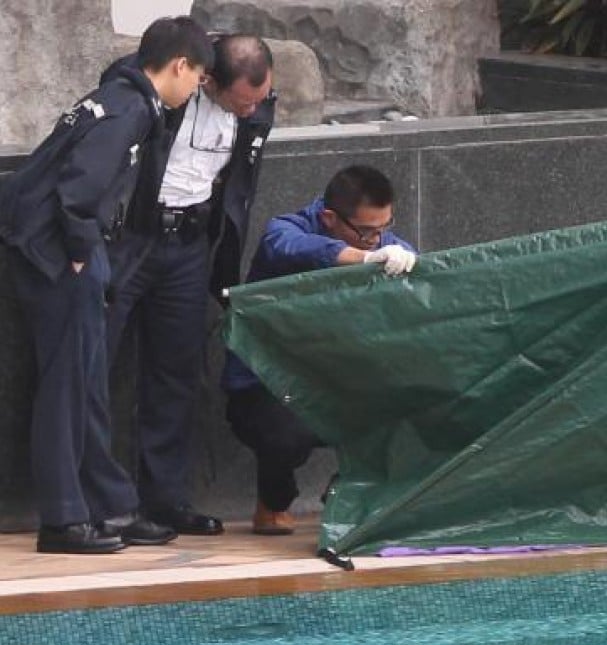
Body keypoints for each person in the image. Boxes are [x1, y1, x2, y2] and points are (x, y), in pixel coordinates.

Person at [0, 17, 213, 553]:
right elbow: (80, 189)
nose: (195, 90)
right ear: (180, 65)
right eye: (197, 77)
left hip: (68, 250)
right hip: (60, 255)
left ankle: (109, 504)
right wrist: (78, 253)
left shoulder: (119, 95)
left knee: (88, 384)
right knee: (68, 387)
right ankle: (63, 519)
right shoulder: (130, 109)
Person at [104, 35, 276, 536]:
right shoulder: (161, 83)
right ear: (206, 80)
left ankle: (164, 500)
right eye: (242, 101)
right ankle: (97, 501)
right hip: (132, 236)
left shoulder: (255, 107)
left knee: (175, 373)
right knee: (95, 363)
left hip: (190, 243)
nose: (251, 110)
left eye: (260, 100)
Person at [222, 165, 417, 534]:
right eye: (366, 232)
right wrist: (358, 257)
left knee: (411, 408)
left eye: (383, 229)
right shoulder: (286, 231)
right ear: (330, 218)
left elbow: (402, 253)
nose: (375, 240)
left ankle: (349, 494)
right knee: (284, 438)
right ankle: (273, 500)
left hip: (340, 381)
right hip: (269, 385)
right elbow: (289, 247)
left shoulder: (379, 241)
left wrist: (405, 256)